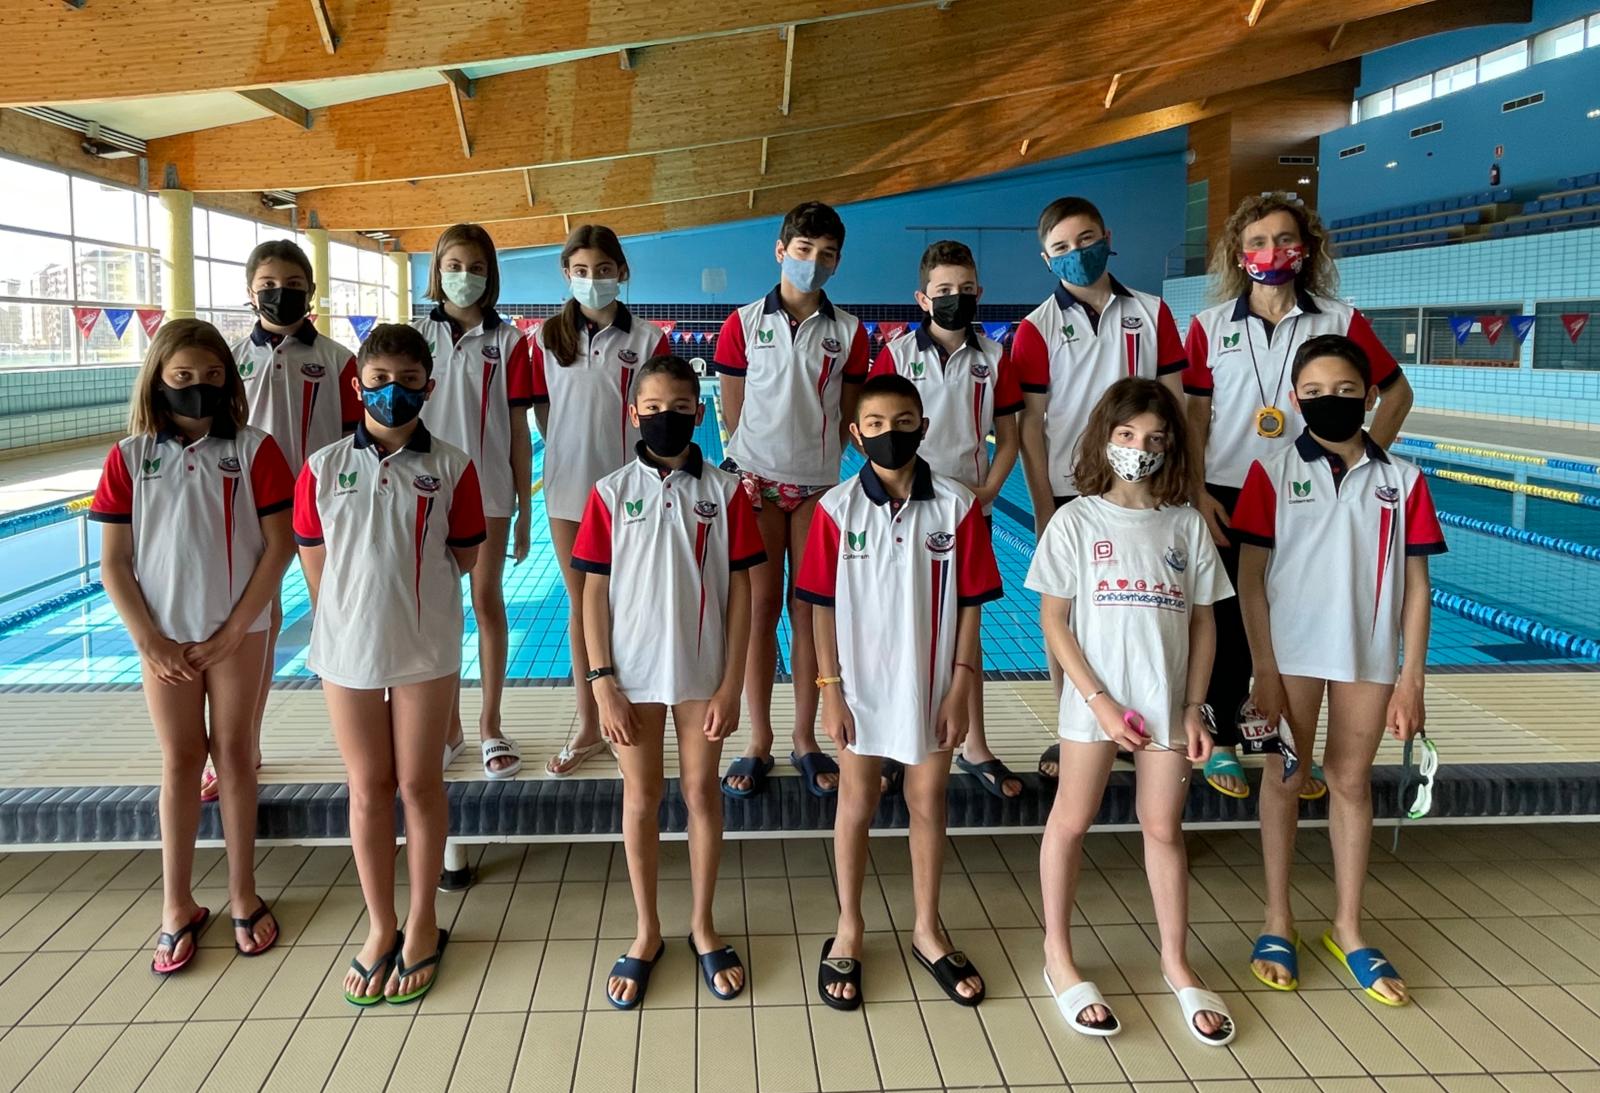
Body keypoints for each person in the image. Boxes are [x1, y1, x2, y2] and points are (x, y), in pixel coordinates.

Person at [1231, 333, 1443, 1007]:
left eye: (1346, 392)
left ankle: (1348, 926)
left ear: (1369, 395)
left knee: (1351, 780)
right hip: (1289, 655)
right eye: (1315, 393)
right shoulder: (1270, 470)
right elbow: (1251, 576)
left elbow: (1416, 585)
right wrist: (1262, 666)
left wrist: (1412, 676)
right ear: (1295, 400)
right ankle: (1277, 919)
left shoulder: (1402, 480)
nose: (1330, 402)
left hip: (1368, 656)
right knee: (1286, 776)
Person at [1183, 192, 1415, 803]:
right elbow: (1196, 417)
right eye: (1256, 242)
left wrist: (1359, 460)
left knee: (1300, 609)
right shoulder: (1209, 327)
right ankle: (1227, 737)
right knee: (1230, 612)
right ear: (1239, 253)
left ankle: (1283, 738)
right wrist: (1196, 490)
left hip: (1311, 488)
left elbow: (1396, 393)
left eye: (1283, 239)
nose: (1270, 252)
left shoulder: (1340, 320)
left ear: (1305, 248)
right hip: (1230, 489)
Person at [1027, 377, 1234, 1046]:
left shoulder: (1185, 525)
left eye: (1154, 439)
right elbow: (1055, 621)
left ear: (1170, 448)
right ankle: (1059, 955)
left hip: (1165, 705)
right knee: (1071, 820)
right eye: (1126, 435)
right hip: (1095, 704)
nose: (1138, 449)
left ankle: (1176, 961)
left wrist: (1196, 707)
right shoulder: (1077, 520)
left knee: (1164, 829)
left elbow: (1204, 625)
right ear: (1104, 438)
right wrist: (1099, 700)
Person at [91, 318, 294, 973]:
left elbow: (278, 545)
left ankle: (242, 892)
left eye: (211, 377)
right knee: (181, 760)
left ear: (230, 382)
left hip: (240, 633)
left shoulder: (256, 450)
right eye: (182, 378)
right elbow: (115, 564)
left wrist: (238, 625)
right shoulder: (129, 458)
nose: (197, 388)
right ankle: (175, 904)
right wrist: (148, 639)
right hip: (166, 638)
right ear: (157, 379)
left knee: (235, 757)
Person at [294, 323, 487, 1005]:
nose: (392, 393)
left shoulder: (454, 468)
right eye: (379, 381)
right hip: (346, 649)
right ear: (358, 384)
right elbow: (315, 564)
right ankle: (381, 925)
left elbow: (462, 557)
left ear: (428, 388)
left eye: (408, 383)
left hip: (425, 647)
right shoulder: (320, 469)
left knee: (419, 783)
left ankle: (425, 919)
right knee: (368, 787)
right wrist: (354, 613)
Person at [796, 374, 1002, 1010]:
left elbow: (970, 605)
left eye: (904, 421)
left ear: (924, 427)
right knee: (855, 800)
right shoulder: (835, 511)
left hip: (934, 683)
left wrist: (961, 687)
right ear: (856, 435)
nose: (892, 433)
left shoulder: (958, 507)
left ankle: (926, 928)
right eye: (877, 424)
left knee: (927, 797)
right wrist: (830, 690)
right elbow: (820, 610)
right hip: (859, 686)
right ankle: (849, 927)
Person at [570, 354, 765, 1008]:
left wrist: (732, 682)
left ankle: (702, 924)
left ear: (700, 412)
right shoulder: (609, 491)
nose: (665, 419)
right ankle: (647, 928)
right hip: (628, 676)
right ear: (633, 414)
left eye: (679, 409)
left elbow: (743, 592)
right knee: (641, 796)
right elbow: (593, 594)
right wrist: (601, 684)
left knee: (701, 792)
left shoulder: (727, 493)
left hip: (702, 675)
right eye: (652, 409)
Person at [1011, 196, 1188, 781]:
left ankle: (1151, 723)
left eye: (1085, 240)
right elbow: (1030, 424)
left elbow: (1176, 405)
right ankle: (1075, 732)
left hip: (1145, 488)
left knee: (1143, 612)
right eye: (1061, 248)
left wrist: (1175, 482)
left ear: (1107, 237)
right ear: (1046, 259)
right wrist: (1041, 504)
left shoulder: (1153, 313)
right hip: (1070, 491)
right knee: (1063, 619)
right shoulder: (1037, 328)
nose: (1077, 254)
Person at [714, 200, 871, 800]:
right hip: (756, 482)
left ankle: (804, 738)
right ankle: (758, 738)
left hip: (817, 488)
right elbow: (731, 409)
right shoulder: (744, 322)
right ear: (781, 251)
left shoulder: (850, 333)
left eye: (827, 254)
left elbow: (851, 413)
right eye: (804, 250)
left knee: (810, 614)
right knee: (759, 614)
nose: (815, 262)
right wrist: (752, 465)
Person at [869, 239, 1023, 799]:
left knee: (968, 628)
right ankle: (891, 743)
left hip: (966, 511)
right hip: (902, 509)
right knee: (892, 622)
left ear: (978, 292)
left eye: (963, 290)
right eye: (943, 291)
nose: (954, 299)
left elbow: (1008, 437)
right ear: (921, 298)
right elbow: (876, 426)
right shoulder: (897, 356)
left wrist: (989, 490)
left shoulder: (994, 359)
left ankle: (975, 743)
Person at [206, 240, 359, 803]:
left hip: (325, 510)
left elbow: (354, 439)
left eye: (293, 283)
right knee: (257, 631)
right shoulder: (229, 363)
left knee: (339, 622)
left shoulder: (340, 360)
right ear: (250, 291)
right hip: (254, 513)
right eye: (269, 283)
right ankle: (244, 746)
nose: (280, 293)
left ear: (310, 291)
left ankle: (359, 748)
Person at [531, 225, 672, 777]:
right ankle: (591, 725)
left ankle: (632, 713)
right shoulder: (544, 339)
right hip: (569, 493)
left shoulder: (649, 340)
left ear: (623, 273)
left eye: (604, 270)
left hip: (633, 492)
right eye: (582, 271)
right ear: (567, 274)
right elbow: (543, 412)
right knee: (581, 605)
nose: (594, 280)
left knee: (632, 605)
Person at [412, 223, 532, 782]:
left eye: (476, 266)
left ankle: (489, 723)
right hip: (423, 491)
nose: (465, 276)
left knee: (486, 601)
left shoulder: (508, 343)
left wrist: (525, 510)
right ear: (438, 271)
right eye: (455, 265)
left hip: (486, 492)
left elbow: (516, 430)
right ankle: (449, 726)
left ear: (491, 275)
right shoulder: (414, 336)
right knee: (435, 609)